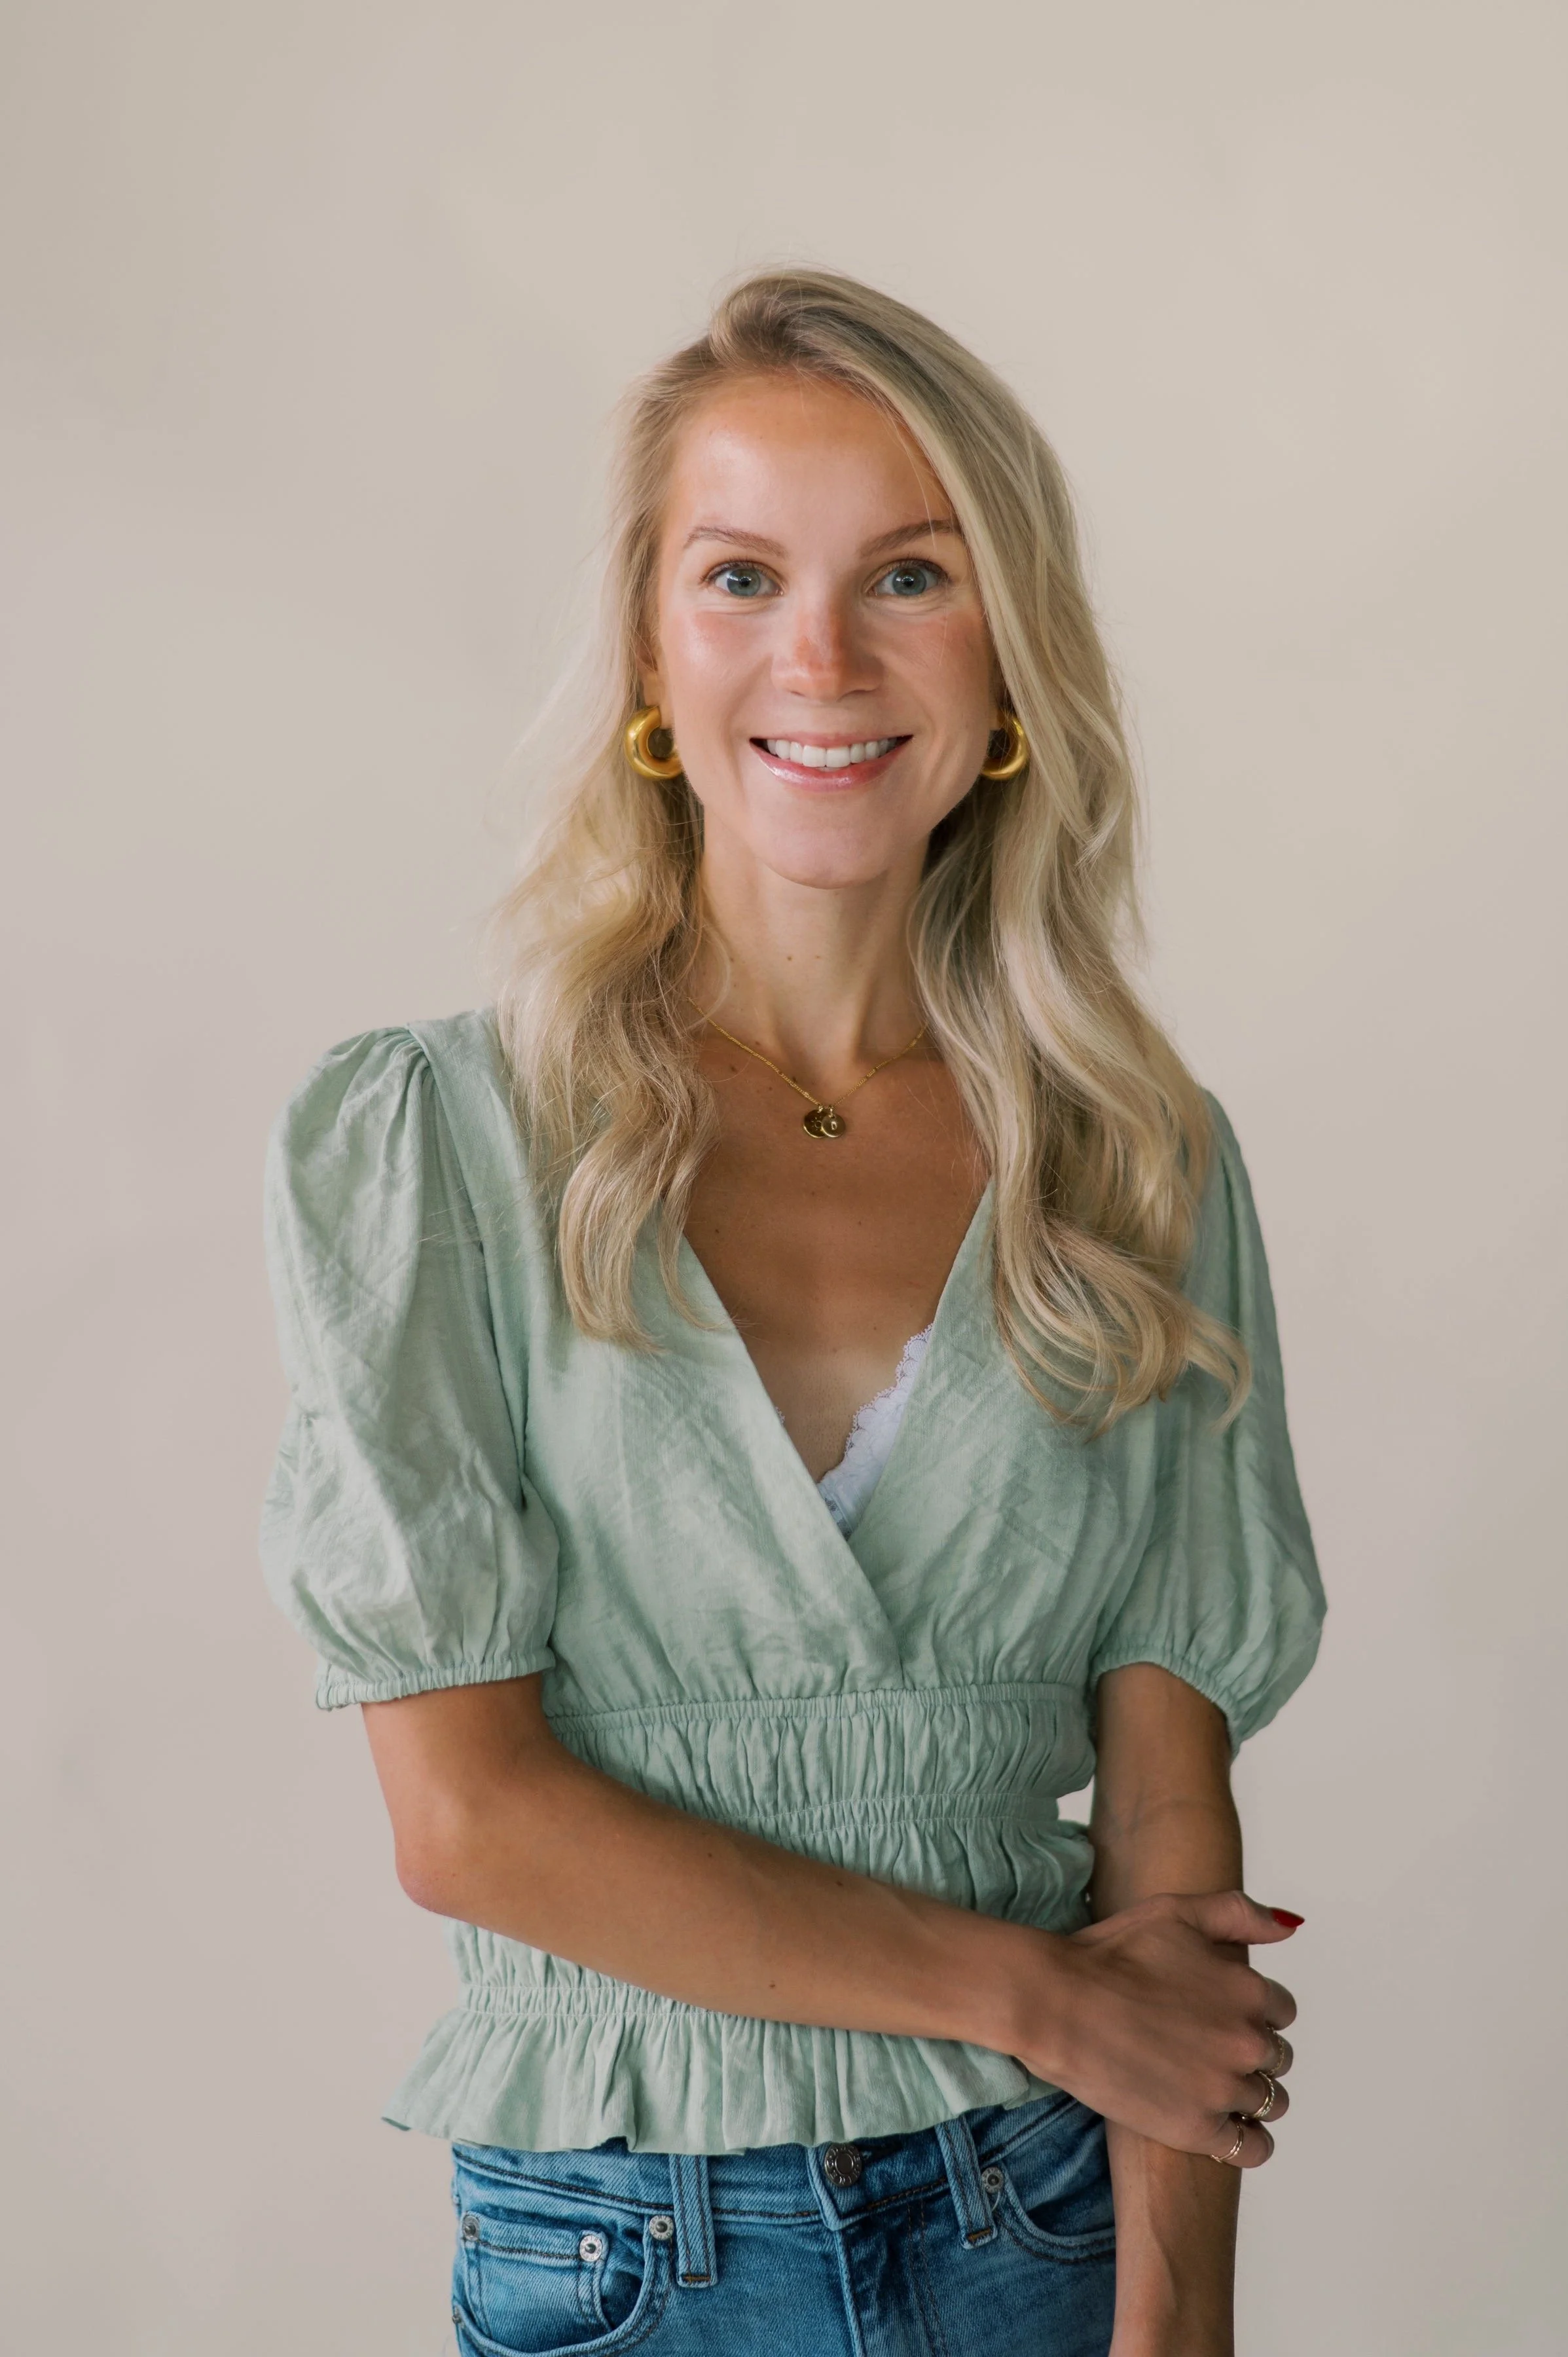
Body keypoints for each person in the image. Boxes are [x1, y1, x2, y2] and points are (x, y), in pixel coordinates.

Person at [261, 268, 1323, 2357]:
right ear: (651, 654)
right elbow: (471, 1825)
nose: (821, 658)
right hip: (628, 2251)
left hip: (1040, 2221)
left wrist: (1179, 2317)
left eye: (908, 575)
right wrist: (1035, 1996)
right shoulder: (437, 1146)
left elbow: (1165, 1818)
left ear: (1007, 660)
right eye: (741, 575)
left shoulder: (1136, 1163)